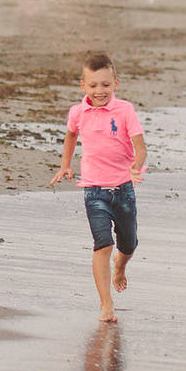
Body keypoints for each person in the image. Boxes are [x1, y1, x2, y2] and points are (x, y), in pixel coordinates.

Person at [49, 52, 147, 322]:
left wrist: (135, 167)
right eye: (93, 85)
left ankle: (120, 267)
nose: (99, 91)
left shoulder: (125, 110)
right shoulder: (78, 112)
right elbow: (70, 136)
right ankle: (106, 306)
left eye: (105, 84)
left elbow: (140, 147)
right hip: (94, 190)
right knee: (103, 244)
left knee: (128, 244)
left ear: (116, 83)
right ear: (83, 86)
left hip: (124, 189)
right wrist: (65, 165)